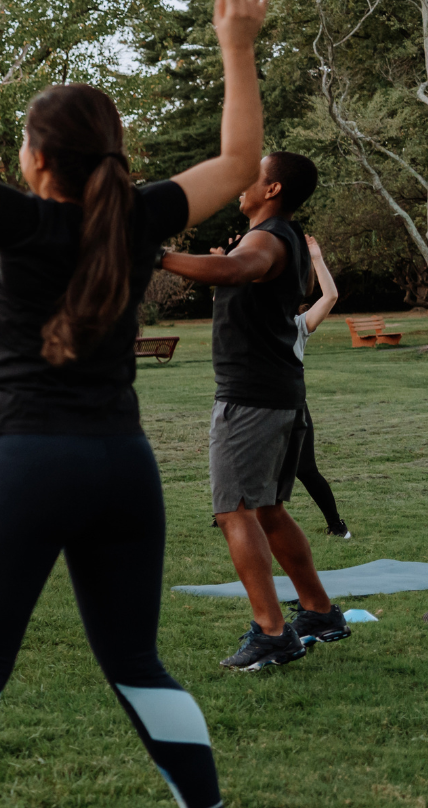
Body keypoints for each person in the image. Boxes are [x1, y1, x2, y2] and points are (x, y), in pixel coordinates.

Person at [0, 0, 269, 808]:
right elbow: (241, 162)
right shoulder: (142, 215)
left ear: (38, 157)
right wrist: (235, 44)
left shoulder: (27, 222)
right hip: (123, 468)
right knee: (137, 662)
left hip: (30, 463)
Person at [160, 150, 349, 670]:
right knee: (267, 509)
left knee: (234, 511)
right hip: (281, 394)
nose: (241, 183)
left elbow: (235, 269)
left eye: (252, 175)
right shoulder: (283, 237)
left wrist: (157, 257)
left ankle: (272, 632)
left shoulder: (267, 238)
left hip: (251, 399)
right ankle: (319, 612)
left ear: (272, 189)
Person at [292, 235, 349, 539]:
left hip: (293, 407)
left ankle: (337, 526)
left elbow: (330, 296)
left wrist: (316, 258)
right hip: (257, 404)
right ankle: (227, 516)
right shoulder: (253, 322)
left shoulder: (299, 324)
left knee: (305, 469)